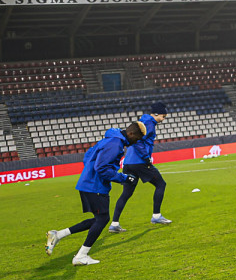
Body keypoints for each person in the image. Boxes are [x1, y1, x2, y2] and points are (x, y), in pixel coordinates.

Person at [46, 121, 145, 265]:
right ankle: (80, 256)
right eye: (137, 138)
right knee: (102, 219)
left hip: (88, 184)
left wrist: (89, 173)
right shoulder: (115, 144)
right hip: (95, 187)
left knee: (100, 219)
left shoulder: (109, 139)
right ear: (131, 133)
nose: (137, 142)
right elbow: (102, 168)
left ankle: (58, 235)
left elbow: (87, 157)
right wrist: (124, 178)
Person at [109, 102, 173, 231]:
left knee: (126, 193)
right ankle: (156, 216)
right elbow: (138, 142)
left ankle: (114, 224)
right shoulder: (149, 124)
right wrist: (146, 158)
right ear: (156, 114)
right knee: (161, 184)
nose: (163, 119)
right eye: (163, 116)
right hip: (140, 162)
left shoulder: (143, 122)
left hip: (128, 162)